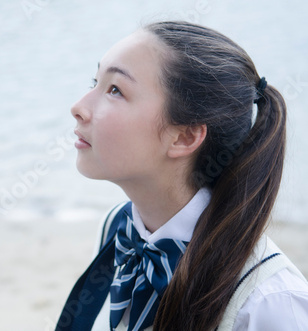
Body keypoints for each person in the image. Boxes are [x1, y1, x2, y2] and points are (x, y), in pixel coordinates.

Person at [55, 21, 308, 331]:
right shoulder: (117, 229)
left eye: (116, 90)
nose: (78, 107)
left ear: (185, 137)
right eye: (94, 81)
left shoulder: (270, 303)